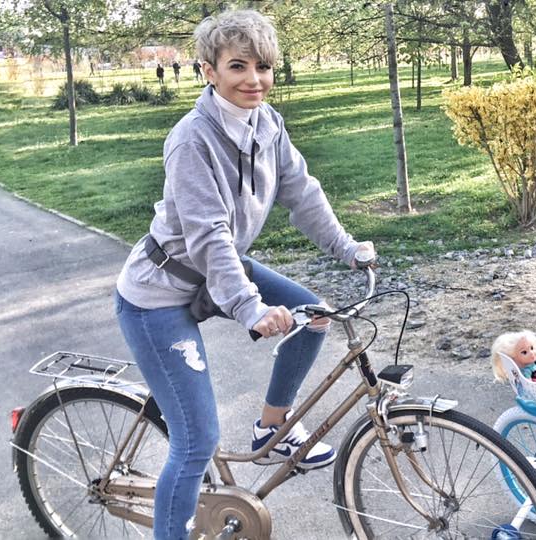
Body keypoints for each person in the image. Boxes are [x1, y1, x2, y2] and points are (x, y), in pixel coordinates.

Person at [114, 9, 375, 539]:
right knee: (196, 441)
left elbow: (302, 192)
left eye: (264, 67)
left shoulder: (267, 122)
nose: (254, 79)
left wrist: (347, 248)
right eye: (238, 66)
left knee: (315, 316)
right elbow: (208, 234)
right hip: (160, 291)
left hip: (219, 268)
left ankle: (272, 427)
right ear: (209, 70)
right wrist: (249, 307)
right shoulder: (191, 140)